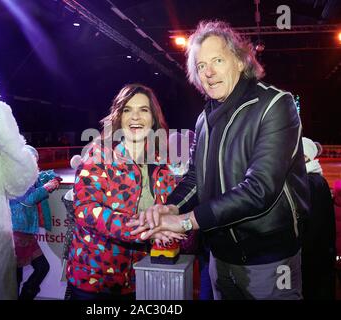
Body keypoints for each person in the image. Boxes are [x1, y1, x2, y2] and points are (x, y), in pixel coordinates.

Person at [129, 20, 309, 300]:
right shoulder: (203, 119)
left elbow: (260, 189)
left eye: (217, 60)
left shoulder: (275, 105)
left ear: (239, 61)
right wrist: (171, 208)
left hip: (268, 258)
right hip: (219, 255)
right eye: (201, 66)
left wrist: (188, 221)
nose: (209, 72)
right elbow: (195, 179)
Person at [66, 83, 183, 300]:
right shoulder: (99, 154)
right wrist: (145, 230)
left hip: (142, 277)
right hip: (96, 280)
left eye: (143, 110)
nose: (135, 117)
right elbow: (86, 210)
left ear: (154, 119)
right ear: (119, 117)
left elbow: (170, 209)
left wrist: (175, 225)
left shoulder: (161, 162)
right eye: (127, 110)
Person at [10, 145, 62, 300]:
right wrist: (46, 188)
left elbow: (43, 176)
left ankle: (25, 296)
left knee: (40, 268)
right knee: (16, 276)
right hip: (15, 230)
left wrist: (52, 178)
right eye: (33, 160)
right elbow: (28, 200)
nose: (36, 164)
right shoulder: (15, 177)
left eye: (37, 161)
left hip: (24, 231)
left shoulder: (28, 176)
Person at [301, 137, 336, 299]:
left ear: (305, 157)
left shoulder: (310, 183)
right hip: (317, 255)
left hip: (311, 257)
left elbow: (311, 227)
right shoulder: (314, 180)